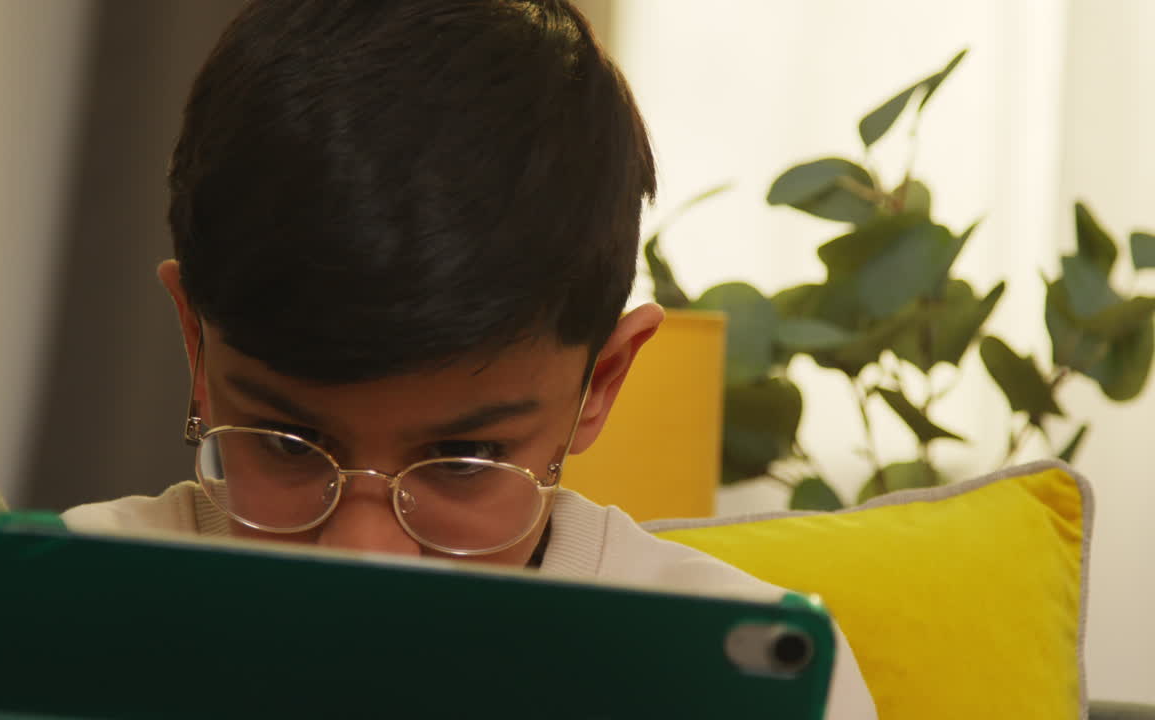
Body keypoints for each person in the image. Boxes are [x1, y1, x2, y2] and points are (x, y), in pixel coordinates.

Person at [63, 0, 876, 715]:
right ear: (195, 343)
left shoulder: (750, 685)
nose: (364, 559)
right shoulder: (72, 605)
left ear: (602, 382)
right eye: (284, 444)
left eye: (464, 459)